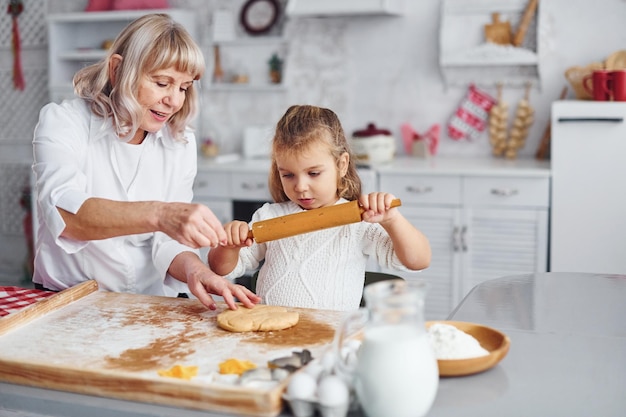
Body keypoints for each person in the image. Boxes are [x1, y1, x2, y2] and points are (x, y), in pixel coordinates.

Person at [31, 13, 260, 311]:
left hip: (146, 304)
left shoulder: (181, 141)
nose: (174, 101)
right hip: (68, 302)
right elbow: (67, 216)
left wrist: (196, 271)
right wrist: (161, 215)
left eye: (184, 87)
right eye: (162, 83)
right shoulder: (63, 122)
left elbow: (168, 243)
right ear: (117, 70)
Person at [208, 105, 431, 311]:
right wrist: (229, 246)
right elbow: (221, 269)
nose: (300, 187)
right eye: (288, 175)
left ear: (341, 165)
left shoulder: (359, 221)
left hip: (330, 337)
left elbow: (417, 261)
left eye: (313, 173)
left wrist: (392, 220)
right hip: (270, 334)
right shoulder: (269, 216)